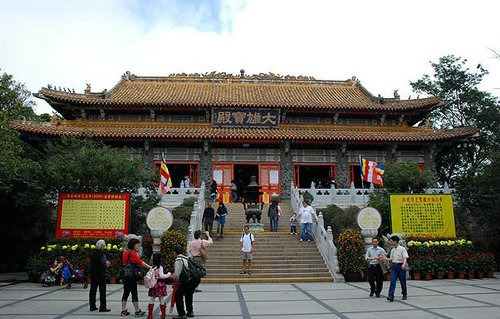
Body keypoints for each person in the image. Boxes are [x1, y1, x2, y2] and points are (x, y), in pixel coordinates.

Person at [121, 238, 152, 317]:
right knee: (134, 293)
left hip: (125, 275)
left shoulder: (125, 252)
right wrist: (149, 267)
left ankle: (123, 310)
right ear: (133, 245)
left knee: (126, 292)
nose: (138, 247)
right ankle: (137, 311)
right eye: (137, 245)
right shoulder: (133, 253)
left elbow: (124, 263)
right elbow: (140, 262)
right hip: (132, 276)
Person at [173, 244, 200, 319]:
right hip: (194, 279)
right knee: (188, 294)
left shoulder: (178, 260)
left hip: (188, 280)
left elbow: (177, 274)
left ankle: (181, 314)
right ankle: (190, 312)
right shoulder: (186, 257)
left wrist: (174, 280)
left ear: (175, 252)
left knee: (178, 295)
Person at [381, 235, 409, 302]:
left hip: (401, 266)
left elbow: (405, 257)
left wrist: (404, 264)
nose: (390, 242)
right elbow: (391, 259)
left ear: (395, 241)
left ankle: (404, 294)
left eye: (391, 241)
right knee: (392, 281)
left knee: (403, 282)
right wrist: (384, 258)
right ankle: (391, 295)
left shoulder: (402, 249)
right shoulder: (392, 250)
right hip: (394, 266)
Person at [147, 252, 172, 319]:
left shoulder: (152, 267)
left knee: (152, 298)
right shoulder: (160, 267)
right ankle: (163, 314)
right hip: (160, 284)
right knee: (161, 299)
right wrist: (168, 274)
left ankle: (150, 315)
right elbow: (161, 275)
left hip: (153, 284)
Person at [89, 239, 111, 312]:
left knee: (93, 290)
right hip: (101, 274)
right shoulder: (102, 254)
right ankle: (103, 307)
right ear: (102, 246)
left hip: (93, 273)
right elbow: (104, 264)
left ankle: (92, 306)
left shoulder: (93, 254)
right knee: (102, 291)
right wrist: (107, 264)